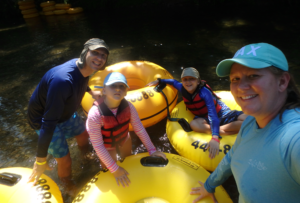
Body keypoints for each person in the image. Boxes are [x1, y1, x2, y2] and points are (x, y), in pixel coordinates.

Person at [190, 43, 300, 203]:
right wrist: (209, 186)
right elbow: (232, 156)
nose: (241, 87)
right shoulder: (250, 122)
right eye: (235, 78)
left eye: (253, 76)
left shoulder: (293, 137)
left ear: (282, 82)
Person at [27, 38, 109, 194]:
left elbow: (82, 80)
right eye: (95, 53)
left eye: (103, 55)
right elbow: (48, 122)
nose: (99, 58)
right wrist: (40, 160)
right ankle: (68, 185)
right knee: (65, 160)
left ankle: (85, 156)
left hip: (64, 112)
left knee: (83, 134)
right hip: (44, 119)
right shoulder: (62, 80)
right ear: (85, 53)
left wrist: (91, 92)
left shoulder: (84, 68)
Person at [86, 72, 167, 187]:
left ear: (126, 91)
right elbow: (98, 145)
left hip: (124, 138)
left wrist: (152, 150)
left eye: (122, 86)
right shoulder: (95, 114)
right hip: (106, 146)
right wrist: (115, 169)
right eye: (113, 86)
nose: (118, 89)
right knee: (109, 170)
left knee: (128, 161)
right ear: (104, 90)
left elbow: (139, 129)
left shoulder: (129, 107)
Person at [147, 68, 247, 159]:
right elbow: (172, 82)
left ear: (198, 81)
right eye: (185, 79)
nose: (188, 82)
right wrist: (159, 81)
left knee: (249, 120)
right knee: (194, 124)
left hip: (222, 113)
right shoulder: (182, 87)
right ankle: (223, 131)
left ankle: (221, 130)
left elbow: (213, 115)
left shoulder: (204, 92)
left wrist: (215, 138)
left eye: (192, 79)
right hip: (204, 118)